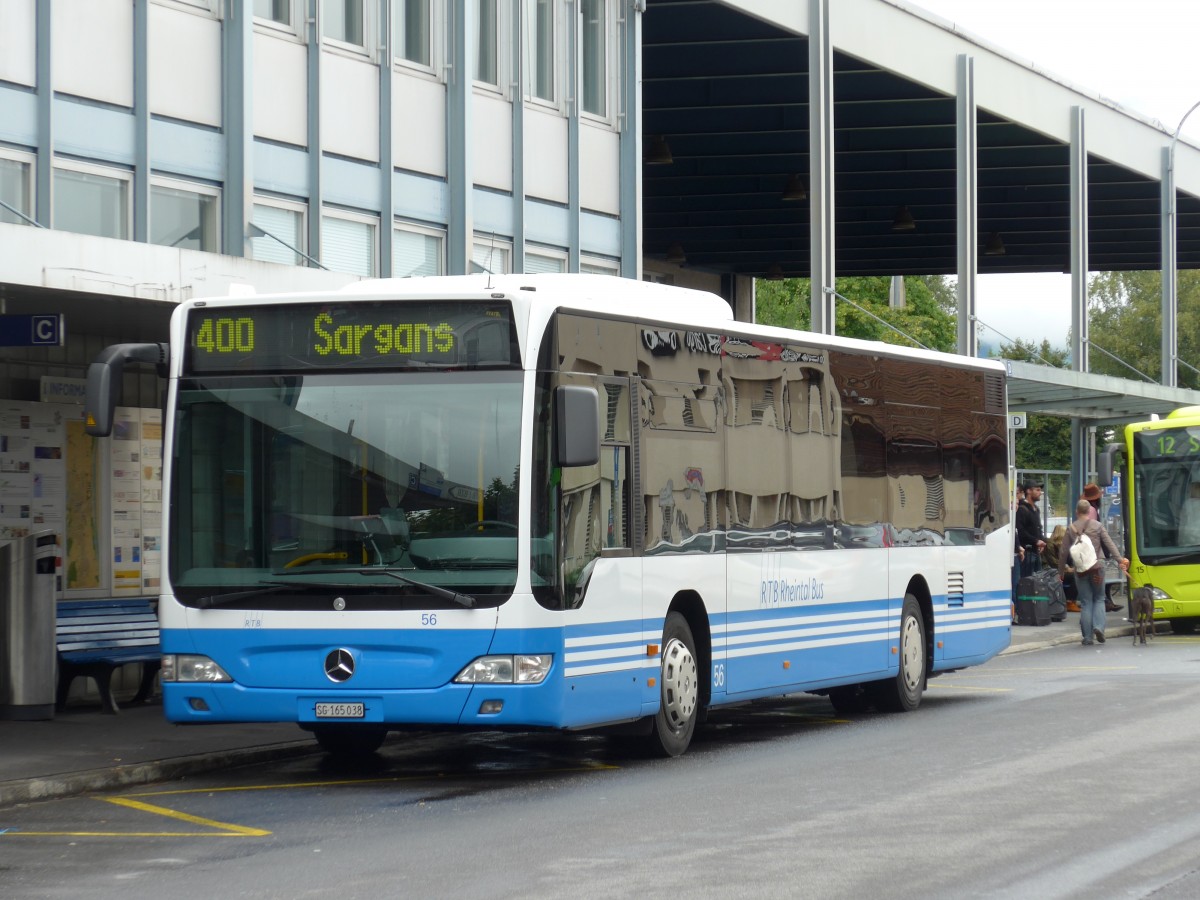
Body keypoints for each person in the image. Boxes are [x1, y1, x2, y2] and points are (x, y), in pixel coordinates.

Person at [1060, 498, 1129, 646]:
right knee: (1098, 598)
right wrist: (1120, 561)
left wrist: (1061, 572)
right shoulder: (1097, 526)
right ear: (1089, 512)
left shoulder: (1071, 528)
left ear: (1077, 512)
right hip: (1098, 566)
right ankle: (1099, 628)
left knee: (1086, 602)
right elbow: (1110, 544)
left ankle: (1087, 637)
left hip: (1081, 570)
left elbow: (1063, 552)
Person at [1082, 482, 1122, 612]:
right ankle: (1104, 604)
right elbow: (1096, 532)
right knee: (1097, 593)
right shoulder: (1092, 510)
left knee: (1088, 596)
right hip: (1095, 555)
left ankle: (1106, 601)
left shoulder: (1084, 511)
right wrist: (1119, 558)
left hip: (1085, 556)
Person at [1015, 478, 1046, 579]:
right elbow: (1021, 531)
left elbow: (1038, 528)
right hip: (1027, 553)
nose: (1040, 492)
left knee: (1037, 583)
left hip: (1036, 552)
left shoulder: (1036, 509)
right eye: (1037, 490)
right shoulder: (1022, 509)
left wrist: (1041, 541)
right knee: (1027, 582)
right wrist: (1036, 541)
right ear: (1028, 491)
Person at [1178, 481, 1200, 545]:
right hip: (1190, 542)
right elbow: (1182, 524)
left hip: (1190, 542)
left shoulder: (1188, 503)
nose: (1190, 491)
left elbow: (1182, 524)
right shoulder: (1188, 503)